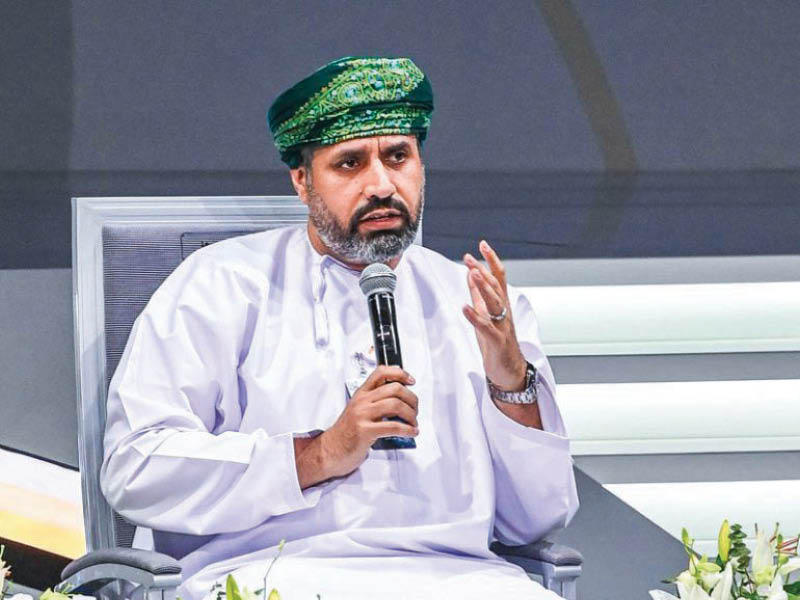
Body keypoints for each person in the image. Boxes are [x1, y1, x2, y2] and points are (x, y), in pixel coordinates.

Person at [101, 56, 579, 600]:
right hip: (267, 575)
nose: (381, 184)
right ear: (302, 182)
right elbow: (136, 467)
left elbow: (537, 522)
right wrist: (321, 453)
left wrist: (511, 383)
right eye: (350, 163)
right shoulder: (222, 285)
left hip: (459, 579)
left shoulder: (474, 303)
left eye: (398, 156)